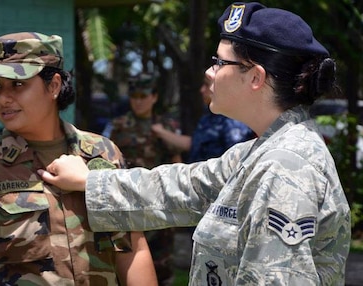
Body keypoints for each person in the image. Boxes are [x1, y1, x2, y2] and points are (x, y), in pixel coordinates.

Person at [40, 2, 351, 285]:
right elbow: (183, 187)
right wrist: (90, 182)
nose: (209, 71)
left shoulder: (284, 167)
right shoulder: (260, 153)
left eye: (219, 62)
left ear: (255, 77)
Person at [0, 32, 157, 286]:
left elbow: (132, 249)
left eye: (17, 84)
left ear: (54, 85)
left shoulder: (102, 155)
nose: (3, 98)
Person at [105, 73, 182, 285]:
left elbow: (177, 163)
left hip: (158, 206)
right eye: (134, 95)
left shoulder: (166, 127)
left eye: (143, 95)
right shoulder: (117, 125)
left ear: (154, 97)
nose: (138, 101)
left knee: (162, 266)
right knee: (125, 262)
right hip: (126, 204)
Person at [152, 76, 255, 163]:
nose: (201, 90)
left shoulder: (233, 119)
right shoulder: (209, 116)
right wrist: (162, 132)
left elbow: (235, 161)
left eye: (207, 85)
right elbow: (194, 144)